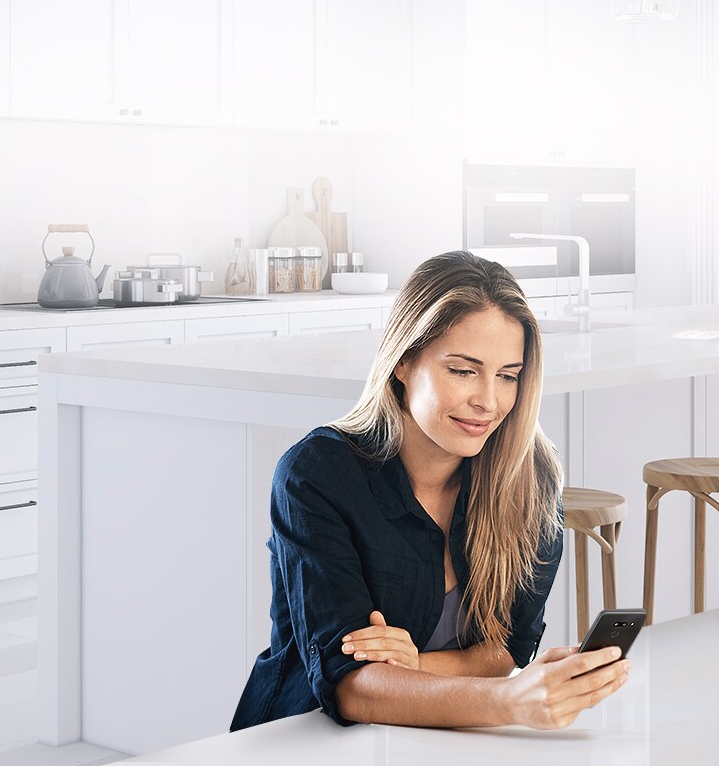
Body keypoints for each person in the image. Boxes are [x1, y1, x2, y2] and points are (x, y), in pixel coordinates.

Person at [230, 251, 631, 732]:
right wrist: (506, 700)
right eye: (463, 370)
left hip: (440, 740)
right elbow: (350, 687)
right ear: (403, 362)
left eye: (508, 375)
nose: (488, 400)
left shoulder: (531, 478)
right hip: (302, 737)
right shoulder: (317, 475)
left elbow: (505, 650)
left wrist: (414, 665)